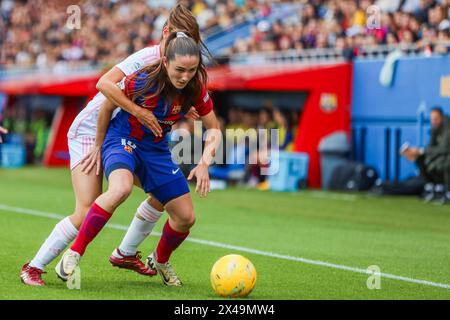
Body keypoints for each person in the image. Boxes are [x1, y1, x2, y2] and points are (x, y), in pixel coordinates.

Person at [20, 4, 206, 286]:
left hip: (126, 137)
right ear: (166, 34)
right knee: (86, 210)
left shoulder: (178, 67)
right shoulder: (149, 57)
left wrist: (181, 108)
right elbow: (104, 85)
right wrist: (133, 116)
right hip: (92, 131)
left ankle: (126, 253)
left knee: (163, 194)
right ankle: (32, 267)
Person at [56, 31, 221, 287]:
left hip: (156, 150)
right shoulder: (144, 79)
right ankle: (74, 253)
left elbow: (214, 129)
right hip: (122, 139)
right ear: (165, 62)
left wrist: (204, 164)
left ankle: (160, 259)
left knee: (186, 217)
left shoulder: (195, 87)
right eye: (180, 69)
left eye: (192, 70)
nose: (186, 76)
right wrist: (98, 144)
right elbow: (108, 105)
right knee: (120, 188)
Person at [401, 107, 450, 203]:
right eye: (432, 119)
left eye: (435, 119)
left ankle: (446, 191)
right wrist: (417, 152)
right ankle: (432, 188)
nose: (433, 121)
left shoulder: (447, 128)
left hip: (445, 157)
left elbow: (445, 149)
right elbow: (430, 147)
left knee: (443, 162)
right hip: (439, 157)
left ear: (441, 118)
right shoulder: (434, 129)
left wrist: (422, 151)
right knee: (420, 158)